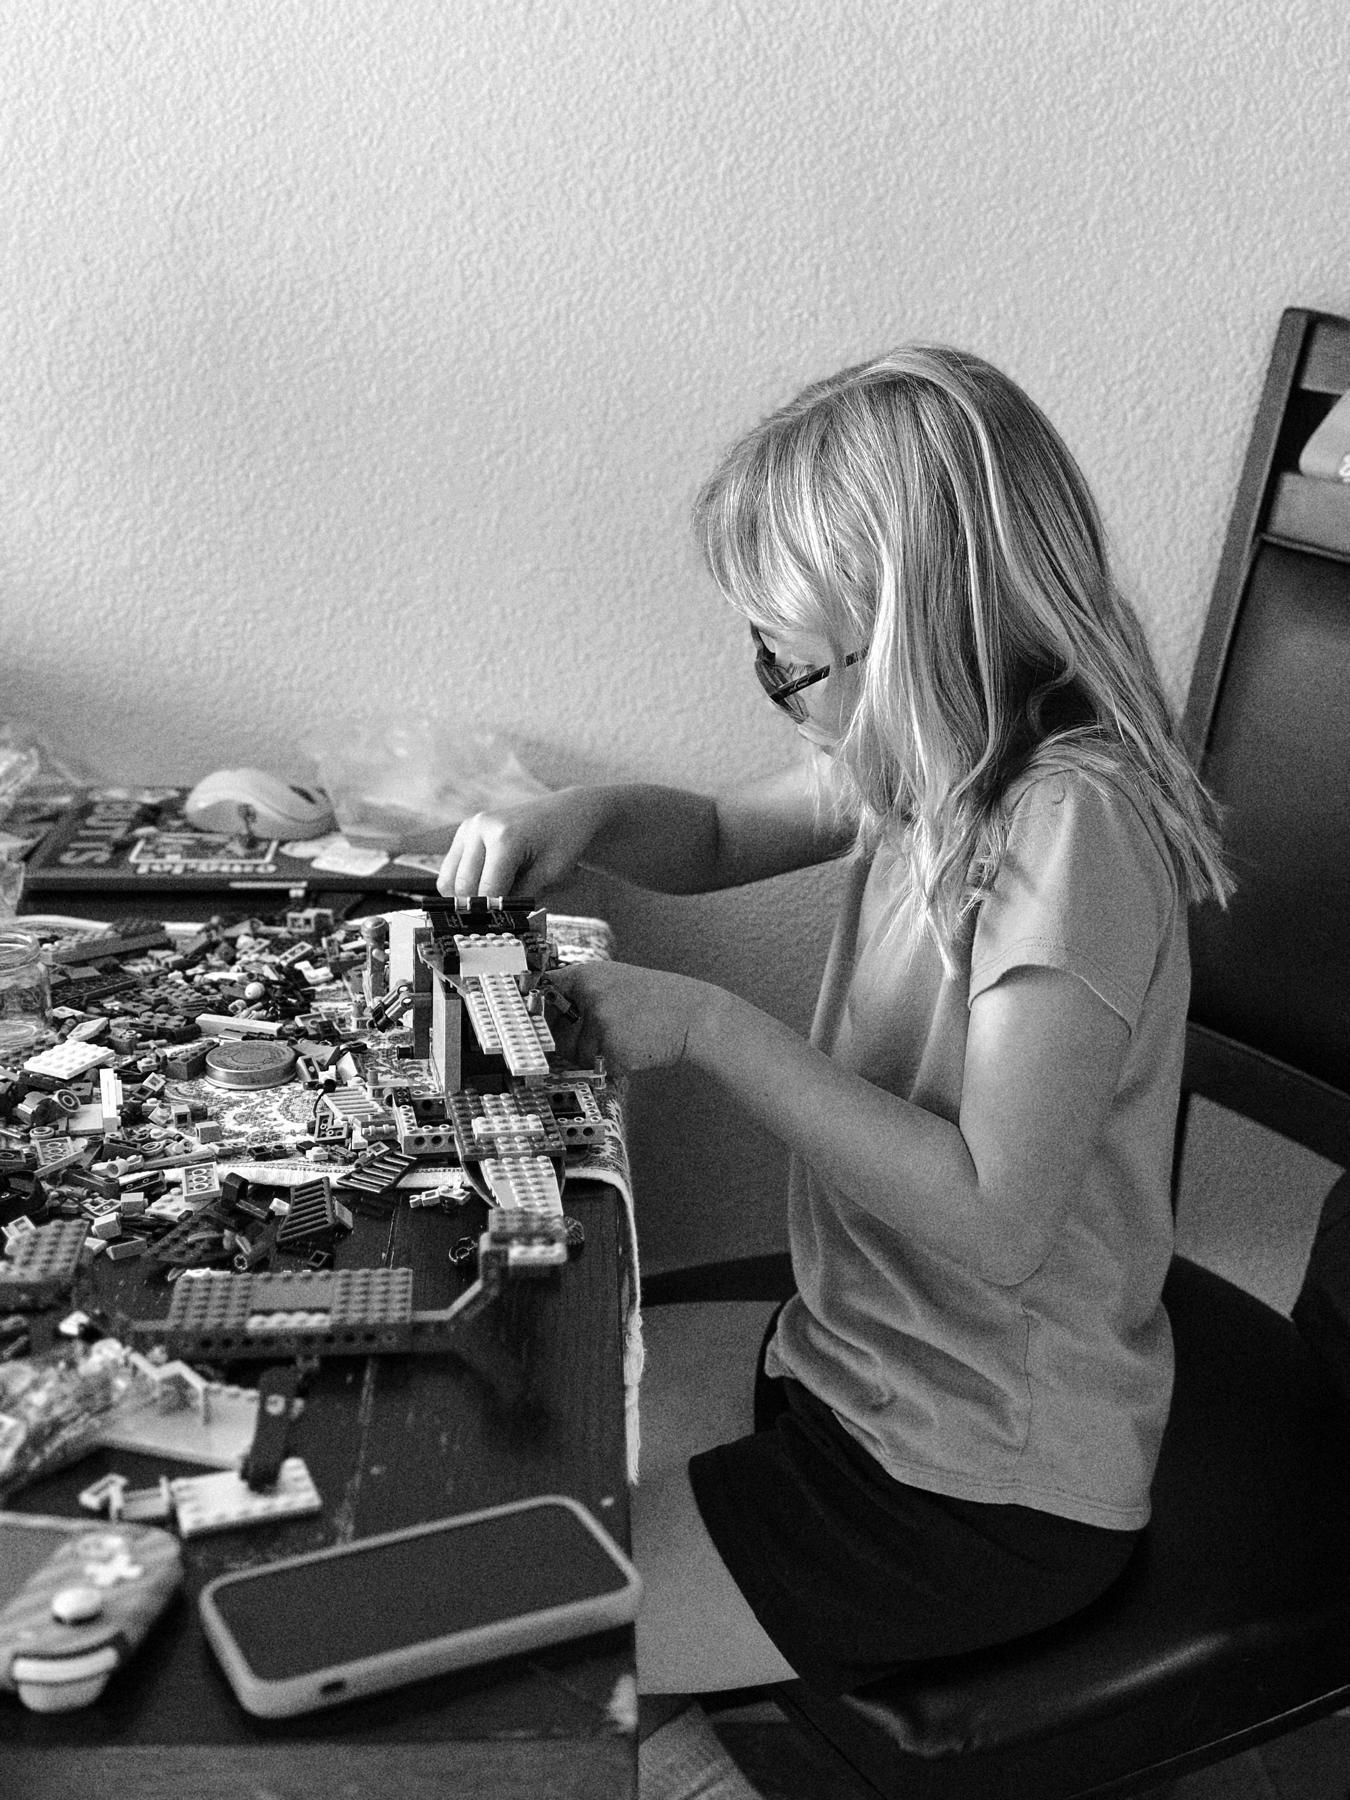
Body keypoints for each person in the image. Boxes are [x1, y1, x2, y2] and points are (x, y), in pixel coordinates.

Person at [437, 345, 1231, 1800]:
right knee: (513, 1430)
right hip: (862, 1365)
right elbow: (726, 837)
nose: (775, 696)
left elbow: (996, 1220)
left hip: (981, 1481)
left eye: (789, 663)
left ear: (914, 630)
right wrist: (586, 814)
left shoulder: (1071, 832)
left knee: (498, 1650)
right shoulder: (932, 754)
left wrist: (713, 1030)